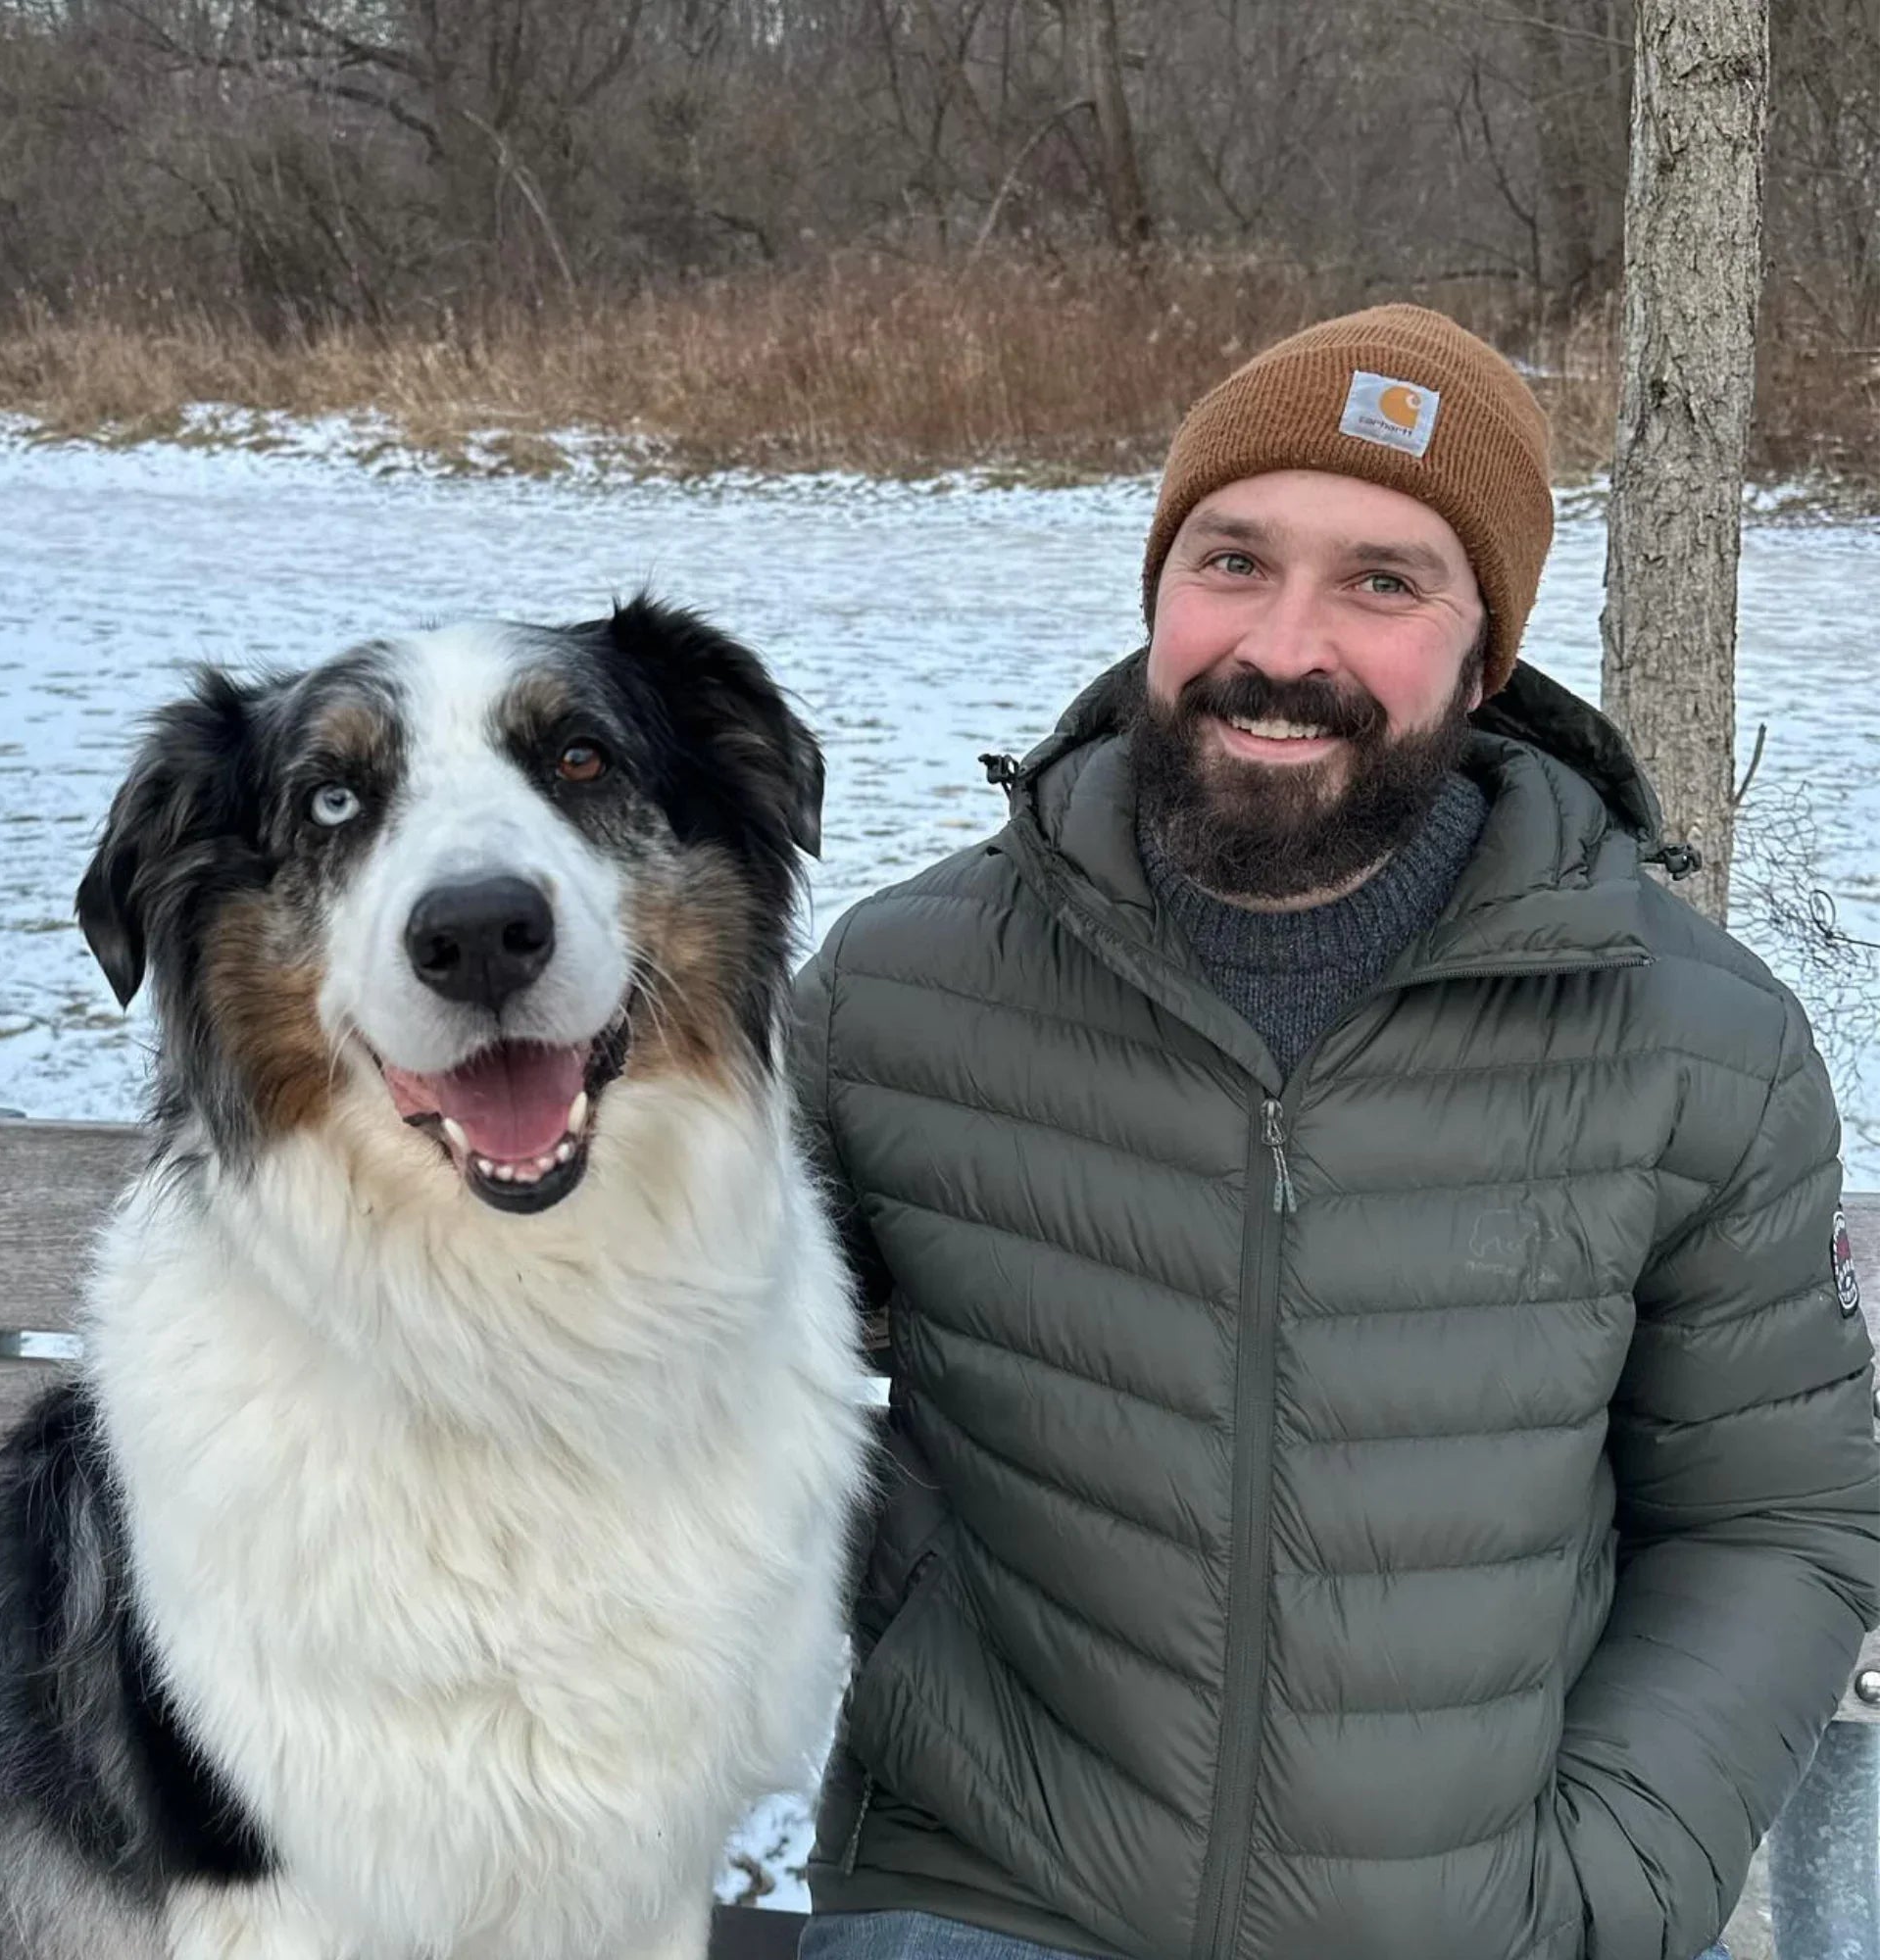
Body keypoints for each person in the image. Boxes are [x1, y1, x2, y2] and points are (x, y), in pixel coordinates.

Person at [788, 305, 1880, 1960]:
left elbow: (1773, 1512)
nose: (1282, 645)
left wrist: (1616, 1881)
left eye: (1384, 581)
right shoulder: (899, 988)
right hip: (986, 1903)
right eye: (1231, 559)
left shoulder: (1694, 1043)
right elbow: (661, 1369)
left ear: (1486, 656)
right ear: (1158, 587)